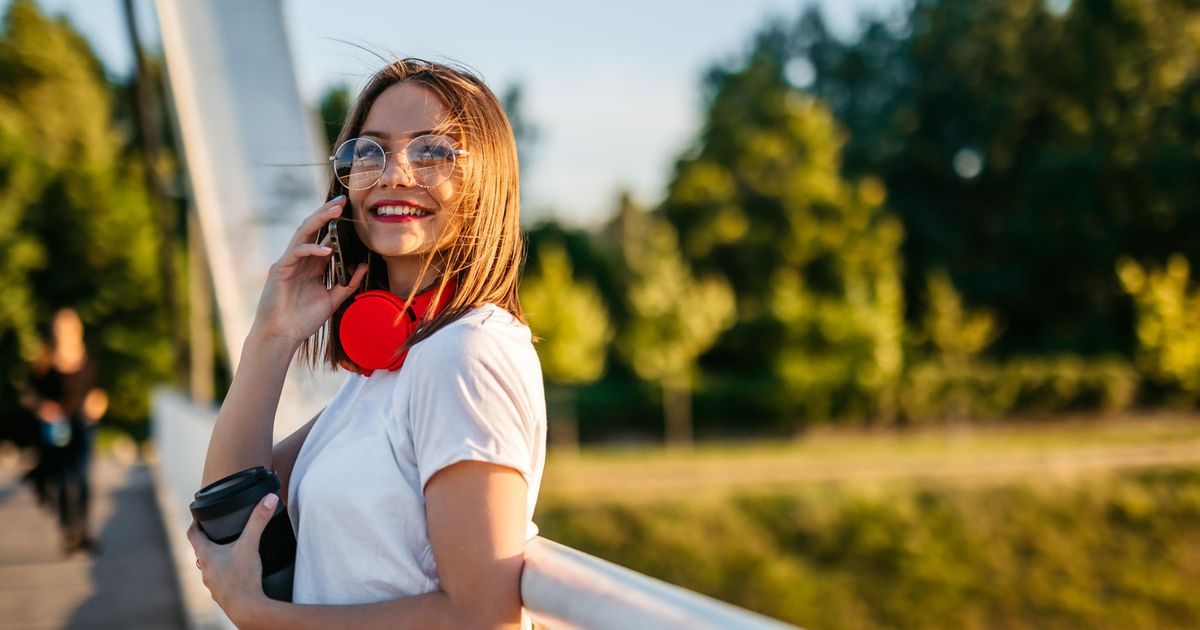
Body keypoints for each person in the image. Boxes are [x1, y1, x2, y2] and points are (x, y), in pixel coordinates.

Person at [187, 58, 547, 629]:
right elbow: (231, 507)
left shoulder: (467, 354)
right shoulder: (383, 372)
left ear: (487, 180)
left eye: (432, 151)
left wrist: (262, 618)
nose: (393, 173)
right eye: (368, 152)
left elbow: (483, 617)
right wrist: (271, 337)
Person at [21, 307, 108, 554]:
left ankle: (83, 529)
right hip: (56, 427)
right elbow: (28, 393)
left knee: (82, 477)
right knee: (61, 478)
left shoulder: (88, 356)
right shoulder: (44, 360)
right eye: (59, 327)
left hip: (84, 425)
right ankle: (68, 530)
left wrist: (98, 402)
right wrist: (42, 407)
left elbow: (99, 388)